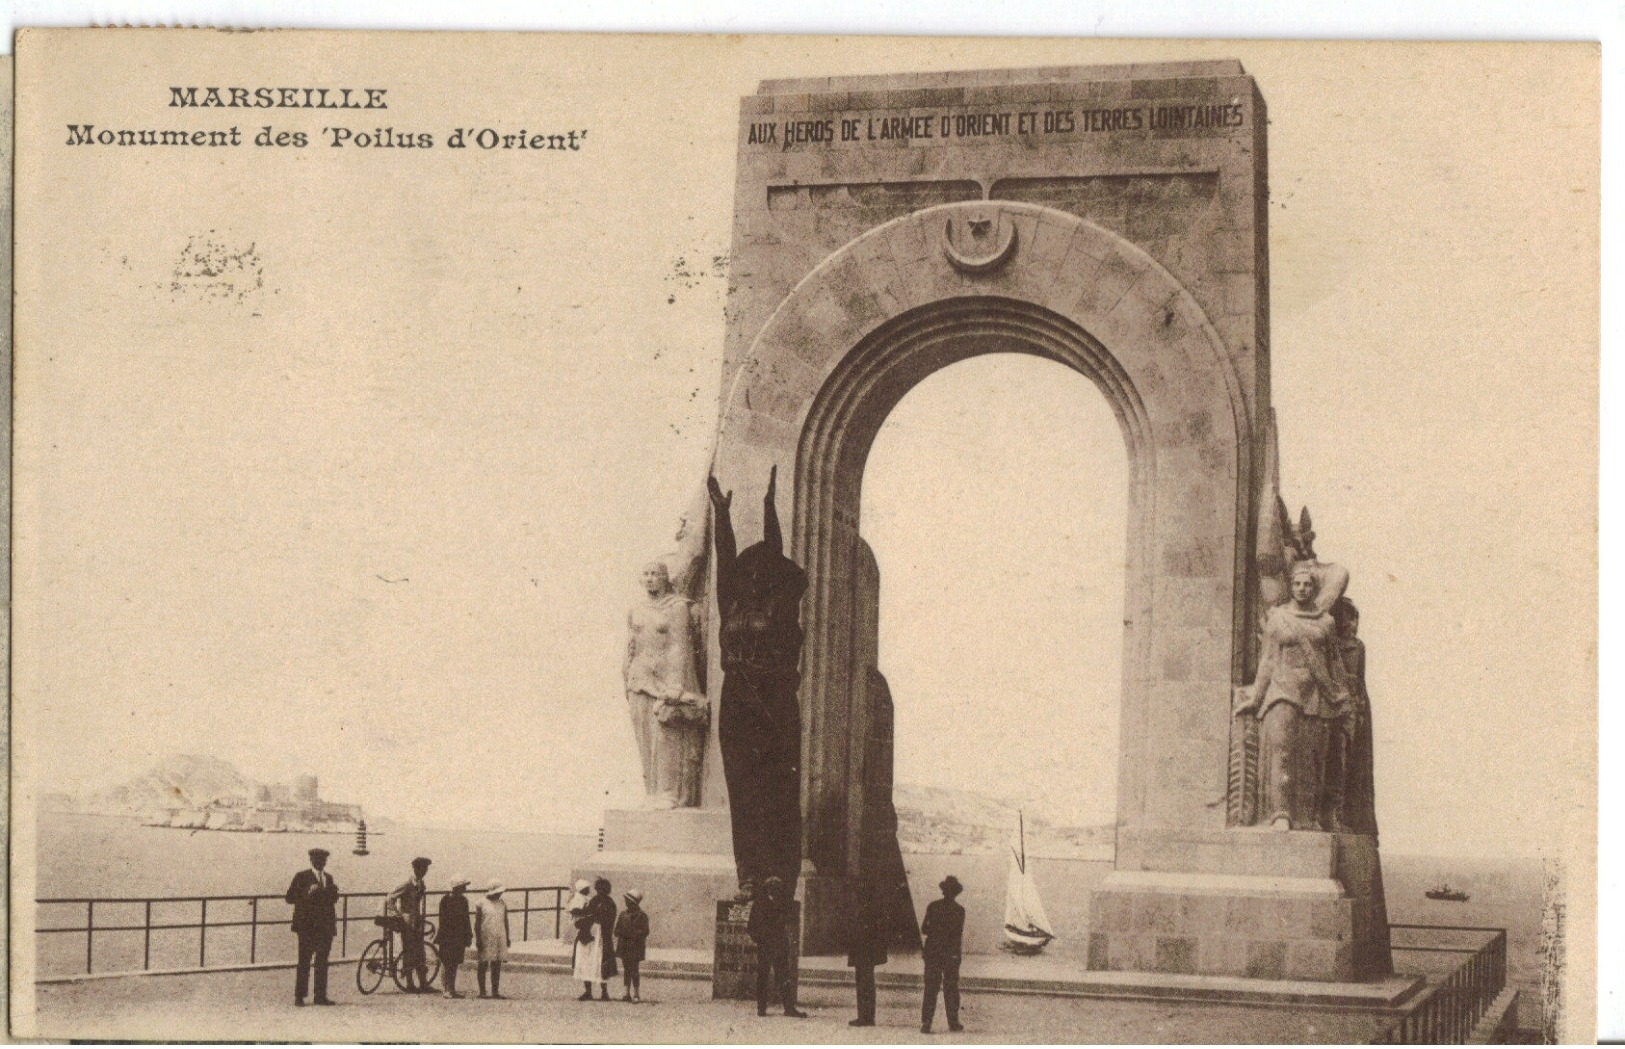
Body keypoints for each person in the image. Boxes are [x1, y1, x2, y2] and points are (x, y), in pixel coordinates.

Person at [709, 468, 807, 900]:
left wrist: (770, 508)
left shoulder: (782, 605)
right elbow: (724, 563)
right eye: (746, 571)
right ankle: (747, 871)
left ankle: (775, 871)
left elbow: (776, 550)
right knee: (742, 789)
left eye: (759, 571)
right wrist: (722, 516)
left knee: (776, 788)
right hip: (738, 700)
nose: (749, 577)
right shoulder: (731, 603)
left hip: (775, 699)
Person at [1235, 564, 1352, 831]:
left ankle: (1308, 816)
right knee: (1282, 751)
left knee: (1311, 758)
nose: (1302, 589)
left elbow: (1333, 662)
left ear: (1314, 588)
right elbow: (1268, 659)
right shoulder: (1278, 618)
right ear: (1291, 586)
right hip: (1282, 690)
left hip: (1315, 693)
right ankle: (1281, 813)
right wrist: (1255, 697)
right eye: (1297, 584)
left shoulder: (1326, 622)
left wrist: (1342, 695)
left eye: (1307, 584)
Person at [625, 561, 709, 808]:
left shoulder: (678, 607)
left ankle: (669, 793)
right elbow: (631, 646)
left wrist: (676, 684)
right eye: (646, 574)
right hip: (639, 681)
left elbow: (679, 646)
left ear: (665, 578)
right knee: (645, 739)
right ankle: (652, 792)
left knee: (667, 737)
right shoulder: (636, 609)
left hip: (666, 680)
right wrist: (627, 676)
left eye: (655, 574)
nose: (650, 579)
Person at [284, 846, 339, 1007]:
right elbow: (289, 898)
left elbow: (332, 899)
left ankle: (320, 996)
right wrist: (307, 892)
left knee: (322, 961)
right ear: (311, 860)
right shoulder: (301, 877)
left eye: (323, 860)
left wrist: (331, 893)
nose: (321, 862)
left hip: (325, 927)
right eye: (317, 860)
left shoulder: (329, 878)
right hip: (307, 927)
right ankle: (299, 996)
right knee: (304, 961)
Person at [746, 876, 806, 1018]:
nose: (775, 891)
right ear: (767, 889)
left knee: (784, 976)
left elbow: (788, 920)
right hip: (766, 946)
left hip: (779, 945)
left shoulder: (783, 903)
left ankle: (789, 1008)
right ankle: (761, 1008)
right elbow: (751, 927)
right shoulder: (760, 904)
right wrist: (761, 940)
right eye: (772, 888)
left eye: (777, 888)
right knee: (763, 976)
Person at [920, 875, 965, 1034]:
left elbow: (924, 929)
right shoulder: (959, 910)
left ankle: (926, 1022)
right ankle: (953, 1023)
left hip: (932, 951)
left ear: (943, 891)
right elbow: (957, 935)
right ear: (955, 893)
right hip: (950, 954)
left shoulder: (933, 906)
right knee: (951, 987)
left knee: (930, 988)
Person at [384, 856, 433, 993]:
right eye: (423, 869)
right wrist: (397, 914)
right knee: (408, 952)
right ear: (416, 868)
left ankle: (423, 983)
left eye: (426, 869)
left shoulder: (421, 884)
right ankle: (410, 984)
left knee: (420, 951)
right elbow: (390, 898)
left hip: (417, 922)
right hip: (406, 922)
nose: (425, 871)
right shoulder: (407, 883)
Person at [845, 880, 889, 1027]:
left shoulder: (869, 911)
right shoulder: (867, 909)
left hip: (865, 953)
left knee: (865, 984)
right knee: (864, 983)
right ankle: (864, 1016)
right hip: (862, 953)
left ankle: (866, 1017)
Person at [436, 876, 473, 999]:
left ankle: (451, 988)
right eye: (463, 886)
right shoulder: (445, 900)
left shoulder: (463, 900)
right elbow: (443, 919)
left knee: (455, 962)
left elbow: (466, 919)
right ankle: (446, 989)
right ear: (456, 887)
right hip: (448, 935)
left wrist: (468, 934)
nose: (465, 888)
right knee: (446, 962)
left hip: (459, 936)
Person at [474, 883, 511, 999]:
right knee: (483, 963)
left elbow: (505, 920)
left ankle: (495, 991)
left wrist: (508, 937)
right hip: (486, 935)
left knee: (497, 963)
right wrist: (478, 938)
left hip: (499, 934)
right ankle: (482, 991)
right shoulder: (481, 903)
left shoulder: (502, 903)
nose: (500, 894)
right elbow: (477, 923)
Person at [614, 889, 650, 1002]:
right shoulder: (623, 914)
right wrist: (621, 932)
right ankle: (626, 993)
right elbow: (616, 930)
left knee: (634, 970)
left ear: (633, 902)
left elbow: (645, 931)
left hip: (635, 947)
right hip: (624, 946)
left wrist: (633, 934)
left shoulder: (642, 916)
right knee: (626, 970)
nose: (626, 902)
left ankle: (636, 994)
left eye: (628, 900)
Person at [569, 879, 602, 1000]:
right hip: (586, 935)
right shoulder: (578, 902)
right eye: (587, 888)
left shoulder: (586, 900)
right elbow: (578, 921)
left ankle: (592, 991)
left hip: (590, 934)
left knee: (591, 961)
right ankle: (589, 991)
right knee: (586, 962)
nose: (589, 890)